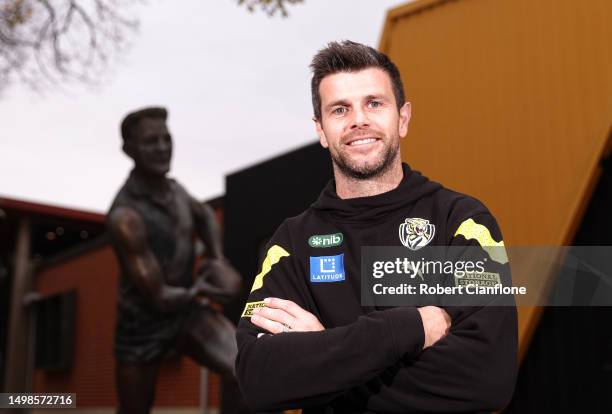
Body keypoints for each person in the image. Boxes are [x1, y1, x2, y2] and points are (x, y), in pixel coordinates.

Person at [235, 41, 518, 413]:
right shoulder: (291, 243)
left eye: (374, 103)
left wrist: (326, 351)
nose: (359, 121)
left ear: (402, 117)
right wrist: (410, 327)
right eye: (340, 109)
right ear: (321, 130)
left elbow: (487, 380)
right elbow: (259, 380)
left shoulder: (463, 223)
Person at [107, 107, 242, 414]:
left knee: (244, 368)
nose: (162, 148)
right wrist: (206, 288)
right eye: (150, 141)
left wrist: (216, 257)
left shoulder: (176, 190)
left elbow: (205, 215)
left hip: (186, 314)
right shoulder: (125, 217)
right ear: (129, 150)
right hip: (142, 327)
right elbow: (159, 297)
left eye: (166, 139)